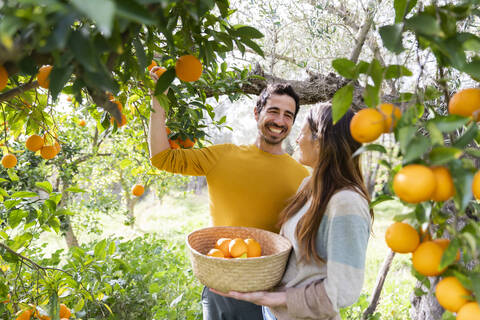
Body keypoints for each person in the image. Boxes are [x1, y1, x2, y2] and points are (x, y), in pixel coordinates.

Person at [148, 67, 309, 320]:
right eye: (273, 111)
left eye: (288, 115)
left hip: (272, 293)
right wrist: (158, 99)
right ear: (257, 113)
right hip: (220, 287)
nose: (280, 120)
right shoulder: (221, 156)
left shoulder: (303, 176)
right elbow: (161, 157)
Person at [211, 103, 373, 320]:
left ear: (320, 141)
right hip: (273, 314)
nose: (296, 139)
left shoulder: (346, 202)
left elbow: (344, 289)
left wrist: (278, 298)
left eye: (302, 133)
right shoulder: (309, 185)